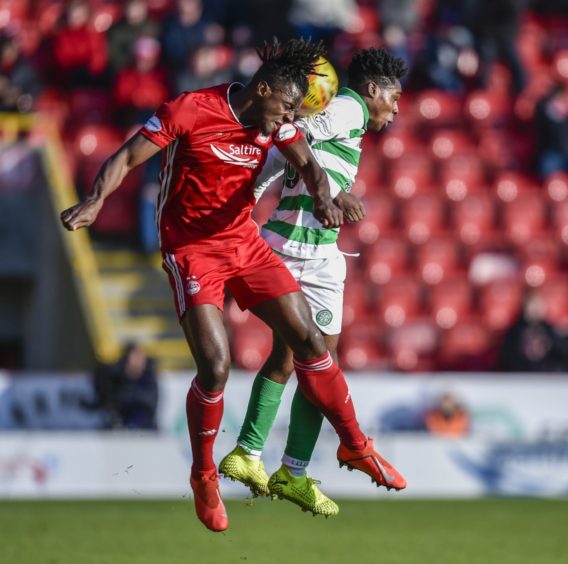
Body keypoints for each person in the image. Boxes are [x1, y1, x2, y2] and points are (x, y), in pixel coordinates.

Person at [60, 37, 405, 533]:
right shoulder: (191, 109)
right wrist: (94, 201)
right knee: (216, 368)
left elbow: (308, 162)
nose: (288, 118)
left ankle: (354, 444)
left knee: (308, 340)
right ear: (261, 90)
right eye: (285, 106)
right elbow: (127, 157)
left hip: (244, 244)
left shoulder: (278, 122)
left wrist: (326, 197)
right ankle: (204, 475)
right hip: (192, 249)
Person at [219, 47, 407, 516]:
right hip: (293, 251)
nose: (398, 108)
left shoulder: (353, 119)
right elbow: (294, 137)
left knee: (309, 361)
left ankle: (279, 466)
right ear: (373, 90)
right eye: (396, 97)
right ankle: (275, 462)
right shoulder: (347, 107)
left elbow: (299, 148)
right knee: (310, 359)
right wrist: (334, 190)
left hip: (321, 254)